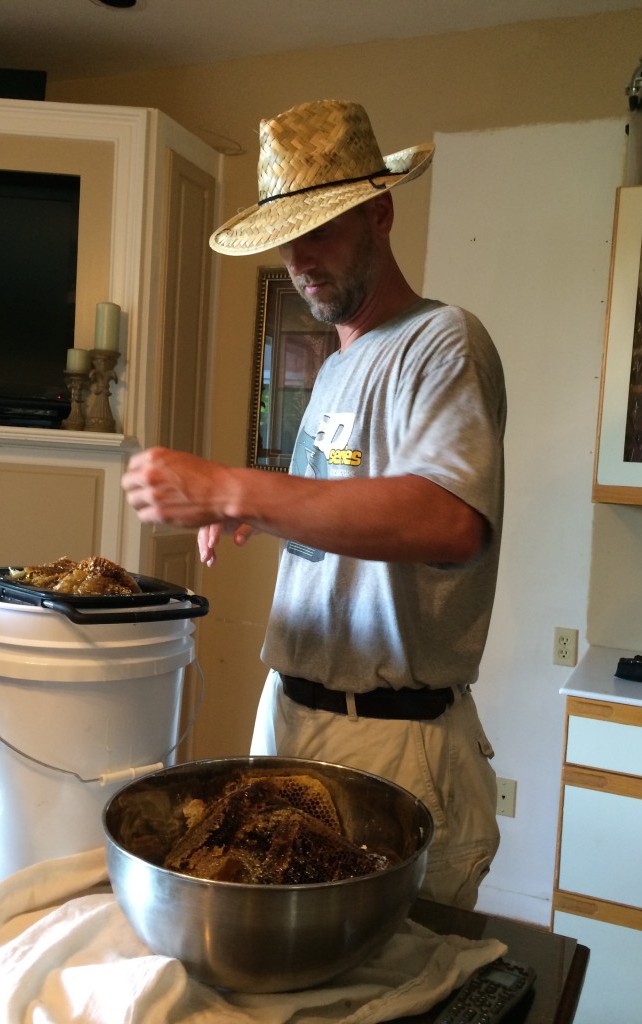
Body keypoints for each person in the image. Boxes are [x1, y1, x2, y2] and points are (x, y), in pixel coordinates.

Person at [122, 99, 506, 910]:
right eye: (287, 238)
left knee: (389, 983)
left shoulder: (441, 340)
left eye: (322, 230)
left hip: (393, 741)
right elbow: (351, 505)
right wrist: (264, 511)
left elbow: (448, 521)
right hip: (291, 713)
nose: (301, 260)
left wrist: (236, 486)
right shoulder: (336, 369)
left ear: (382, 212)